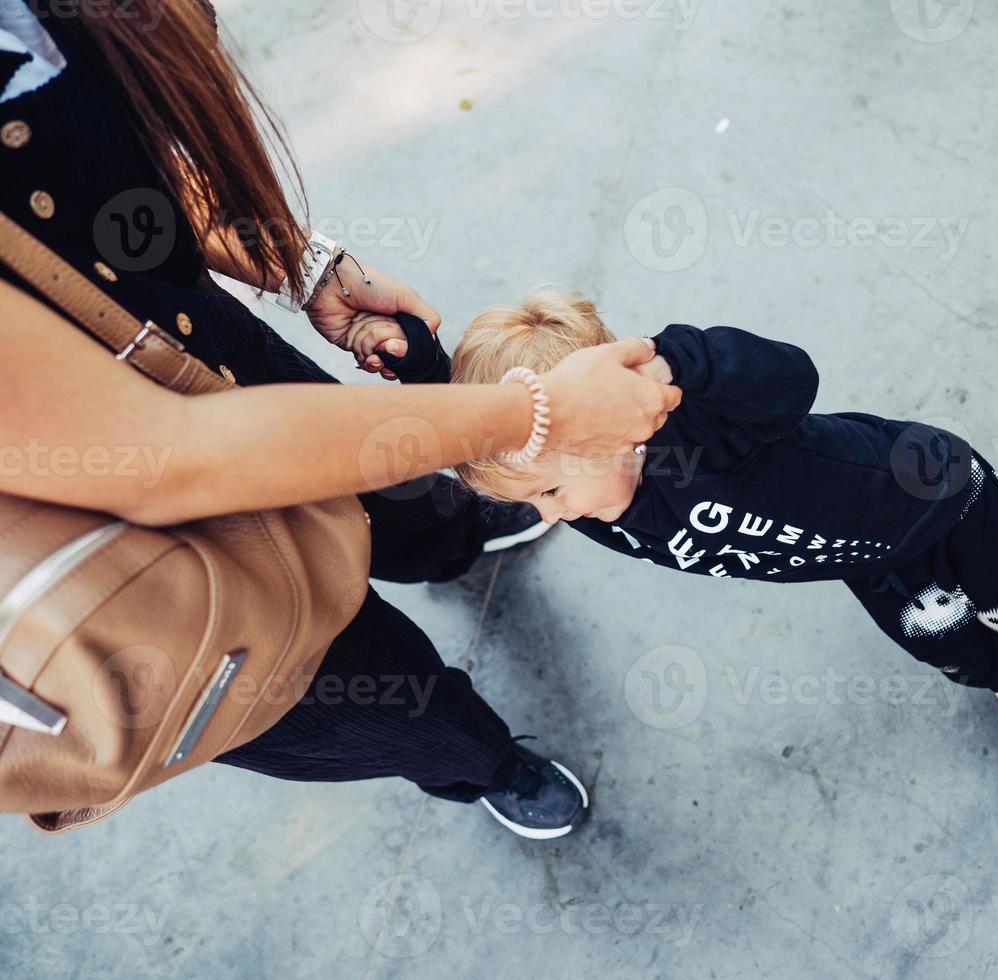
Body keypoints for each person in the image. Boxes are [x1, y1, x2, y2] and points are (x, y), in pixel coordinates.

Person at [0, 2, 679, 838]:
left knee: (401, 492)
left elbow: (93, 190)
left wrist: (297, 261)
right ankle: (480, 762)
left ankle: (456, 540)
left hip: (209, 358)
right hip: (124, 563)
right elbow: (161, 455)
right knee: (373, 701)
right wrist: (535, 413)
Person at [354, 291, 998, 773]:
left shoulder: (698, 431)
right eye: (536, 501)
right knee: (941, 640)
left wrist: (676, 364)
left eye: (553, 490)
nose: (551, 515)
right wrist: (430, 380)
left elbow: (790, 377)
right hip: (860, 558)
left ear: (615, 430)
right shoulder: (594, 503)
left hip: (934, 495)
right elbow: (494, 440)